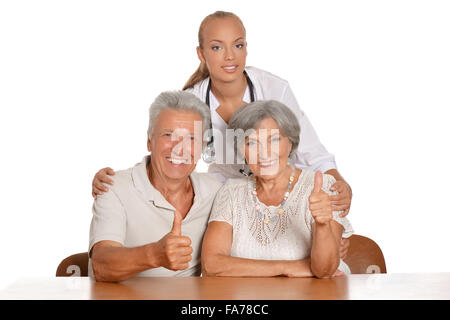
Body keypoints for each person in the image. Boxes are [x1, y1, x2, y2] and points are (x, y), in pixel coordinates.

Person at [91, 11, 352, 256]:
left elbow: (311, 151)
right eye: (217, 47)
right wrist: (118, 183)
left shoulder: (274, 88)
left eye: (238, 45)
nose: (230, 56)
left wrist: (339, 185)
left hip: (284, 190)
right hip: (230, 197)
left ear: (246, 48)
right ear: (201, 53)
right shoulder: (191, 100)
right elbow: (170, 155)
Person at [201, 100, 353, 277]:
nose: (264, 153)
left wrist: (322, 225)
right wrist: (287, 268)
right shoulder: (231, 191)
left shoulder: (323, 186)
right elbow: (211, 265)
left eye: (274, 140)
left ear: (291, 143)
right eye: (252, 143)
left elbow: (325, 271)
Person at [88, 91, 223, 281]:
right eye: (169, 135)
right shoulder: (113, 187)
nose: (179, 148)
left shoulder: (216, 191)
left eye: (191, 138)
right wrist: (155, 254)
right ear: (149, 141)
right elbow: (101, 265)